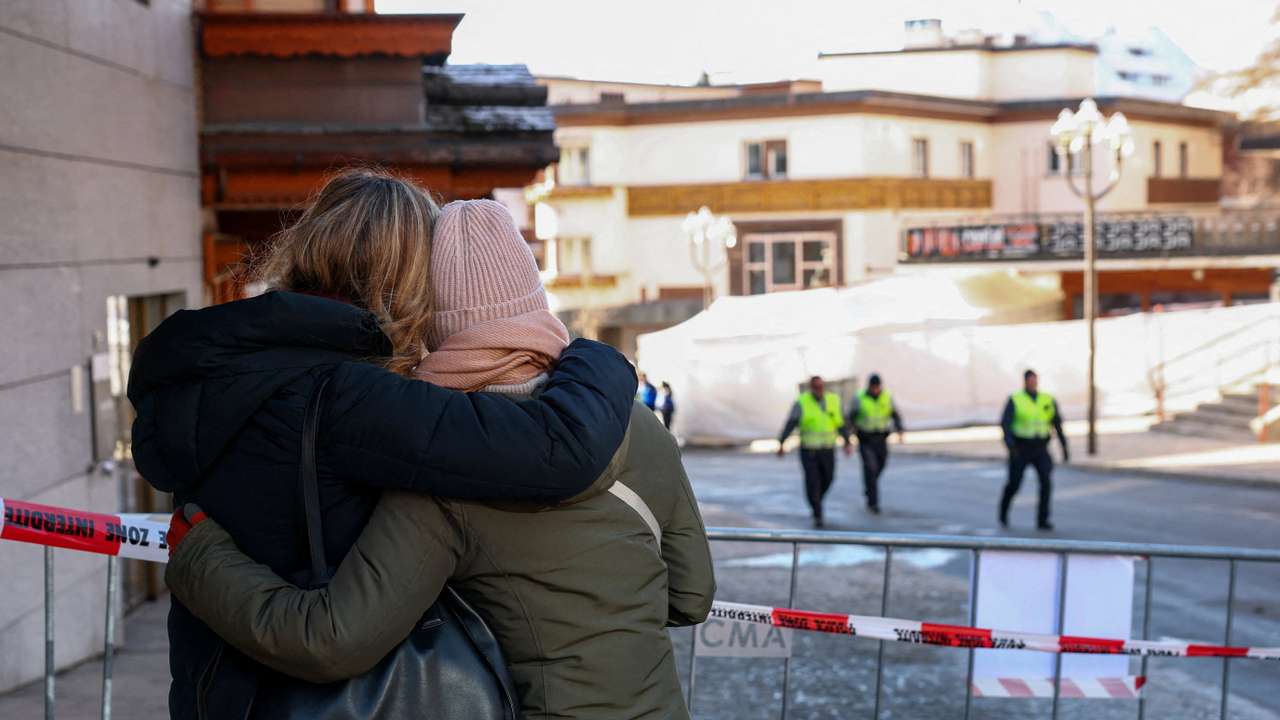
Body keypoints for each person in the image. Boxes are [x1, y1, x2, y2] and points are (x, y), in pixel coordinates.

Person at [163, 199, 715, 720]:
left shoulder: (439, 471)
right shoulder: (636, 423)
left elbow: (332, 640)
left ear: (432, 317)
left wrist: (200, 557)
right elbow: (691, 597)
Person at [999, 369, 1069, 531]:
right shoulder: (1015, 399)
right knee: (1014, 484)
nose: (1033, 383)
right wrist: (1010, 446)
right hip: (1020, 448)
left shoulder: (1047, 399)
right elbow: (1005, 424)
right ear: (1025, 381)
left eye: (1035, 380)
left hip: (1040, 449)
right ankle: (1003, 513)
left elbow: (1057, 424)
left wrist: (1064, 447)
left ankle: (1042, 520)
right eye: (1030, 380)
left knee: (1046, 482)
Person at [777, 375, 851, 528]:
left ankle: (816, 501)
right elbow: (791, 423)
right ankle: (818, 513)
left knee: (828, 478)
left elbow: (840, 423)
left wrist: (847, 442)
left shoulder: (833, 400)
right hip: (809, 450)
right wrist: (782, 442)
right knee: (812, 481)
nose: (819, 390)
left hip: (827, 449)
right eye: (816, 387)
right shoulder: (802, 402)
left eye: (821, 387)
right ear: (811, 388)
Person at [849, 373, 904, 515]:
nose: (875, 389)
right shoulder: (859, 397)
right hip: (865, 439)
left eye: (877, 387)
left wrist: (900, 431)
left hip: (881, 438)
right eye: (873, 387)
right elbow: (851, 417)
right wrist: (848, 436)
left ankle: (869, 486)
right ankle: (873, 502)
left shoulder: (887, 396)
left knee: (881, 464)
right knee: (870, 467)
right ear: (869, 386)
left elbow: (895, 414)